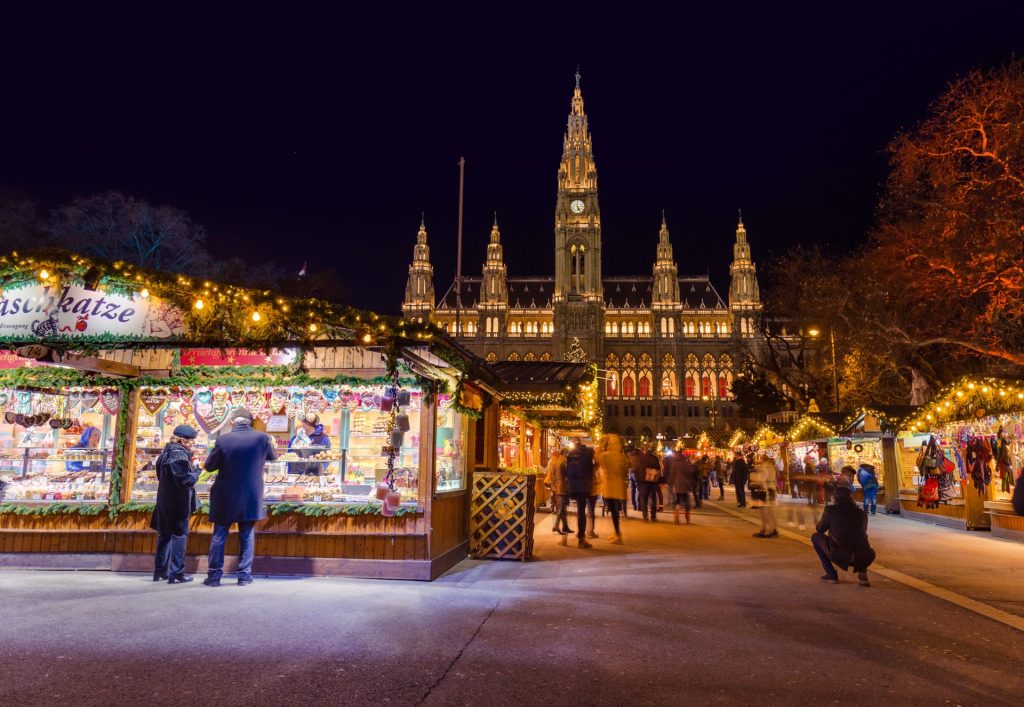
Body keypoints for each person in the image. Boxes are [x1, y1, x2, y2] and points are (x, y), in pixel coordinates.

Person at [203, 407, 278, 586]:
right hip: (251, 493)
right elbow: (273, 457)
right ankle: (244, 576)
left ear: (232, 422)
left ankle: (214, 577)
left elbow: (209, 466)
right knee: (247, 535)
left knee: (219, 535)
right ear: (250, 421)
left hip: (225, 494)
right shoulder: (262, 438)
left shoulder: (223, 440)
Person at [150, 425, 201, 584]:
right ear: (183, 440)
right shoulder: (179, 456)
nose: (192, 444)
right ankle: (176, 573)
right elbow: (184, 480)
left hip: (165, 500)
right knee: (179, 536)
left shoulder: (165, 453)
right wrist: (197, 471)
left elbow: (161, 476)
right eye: (191, 442)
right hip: (178, 502)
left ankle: (160, 571)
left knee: (164, 535)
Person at [812, 485, 876, 585]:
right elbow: (863, 531)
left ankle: (831, 573)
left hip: (840, 554)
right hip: (864, 556)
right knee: (860, 541)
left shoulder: (831, 510)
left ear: (835, 498)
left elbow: (819, 530)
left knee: (815, 537)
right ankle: (862, 574)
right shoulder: (861, 513)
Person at [596, 434, 629, 544]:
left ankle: (618, 535)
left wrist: (602, 444)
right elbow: (626, 470)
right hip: (619, 486)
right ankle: (617, 533)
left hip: (609, 487)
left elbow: (597, 458)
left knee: (614, 511)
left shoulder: (605, 455)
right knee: (615, 509)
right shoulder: (622, 456)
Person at [564, 441, 596, 548]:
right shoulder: (588, 452)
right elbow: (592, 468)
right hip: (584, 486)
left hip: (572, 486)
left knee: (566, 510)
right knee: (581, 512)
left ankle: (565, 538)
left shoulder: (570, 453)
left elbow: (567, 471)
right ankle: (581, 539)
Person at [665, 448, 698, 524]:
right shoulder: (686, 463)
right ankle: (687, 518)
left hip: (677, 486)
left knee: (678, 502)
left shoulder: (675, 463)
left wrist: (669, 482)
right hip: (686, 486)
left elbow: (672, 474)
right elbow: (691, 473)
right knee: (687, 503)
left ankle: (676, 518)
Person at [750, 454, 778, 537]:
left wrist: (753, 477)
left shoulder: (765, 467)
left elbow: (762, 478)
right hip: (771, 489)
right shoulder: (771, 466)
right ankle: (772, 529)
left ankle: (766, 530)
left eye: (761, 459)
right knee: (769, 511)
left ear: (763, 459)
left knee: (765, 511)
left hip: (766, 490)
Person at [544, 448, 571, 535]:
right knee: (560, 508)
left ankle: (565, 526)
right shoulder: (563, 462)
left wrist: (554, 486)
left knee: (561, 507)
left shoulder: (554, 462)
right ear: (565, 453)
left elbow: (552, 475)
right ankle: (556, 526)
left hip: (556, 487)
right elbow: (567, 475)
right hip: (562, 487)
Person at [636, 445, 663, 522]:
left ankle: (645, 516)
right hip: (653, 482)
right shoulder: (655, 458)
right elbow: (659, 470)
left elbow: (637, 469)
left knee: (644, 499)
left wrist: (638, 480)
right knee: (653, 499)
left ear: (644, 450)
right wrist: (658, 480)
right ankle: (653, 516)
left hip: (643, 482)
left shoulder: (641, 458)